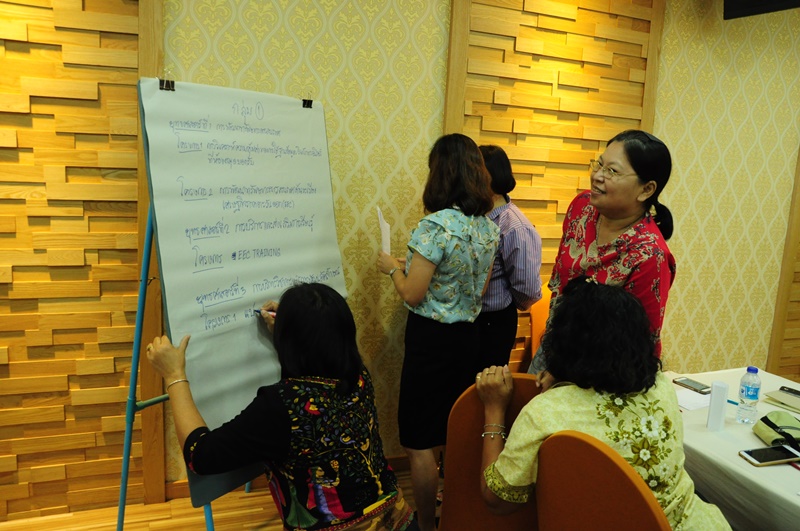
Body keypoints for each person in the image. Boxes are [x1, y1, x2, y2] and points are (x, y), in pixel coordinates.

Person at [145, 282, 417, 531]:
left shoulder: (282, 405)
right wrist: (287, 332)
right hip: (399, 519)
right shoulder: (358, 376)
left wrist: (174, 375)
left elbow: (200, 455)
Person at [476, 277, 730, 529]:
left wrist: (494, 408)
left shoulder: (544, 412)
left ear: (562, 342)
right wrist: (564, 378)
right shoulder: (661, 386)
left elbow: (497, 500)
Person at [376, 133, 499, 531]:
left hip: (431, 342)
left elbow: (413, 294)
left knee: (418, 441)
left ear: (440, 174)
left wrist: (392, 269)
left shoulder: (434, 226)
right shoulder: (487, 228)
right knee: (452, 432)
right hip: (468, 339)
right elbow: (476, 289)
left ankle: (428, 526)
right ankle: (456, 518)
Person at [529, 129, 676, 375]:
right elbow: (559, 281)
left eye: (612, 171)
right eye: (599, 164)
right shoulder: (581, 208)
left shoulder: (649, 255)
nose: (597, 176)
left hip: (603, 374)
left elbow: (640, 343)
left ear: (646, 189)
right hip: (553, 352)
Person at [476, 144, 542, 370]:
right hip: (472, 320)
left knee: (486, 383)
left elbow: (528, 289)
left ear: (487, 177)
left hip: (493, 321)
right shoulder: (477, 215)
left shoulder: (514, 226)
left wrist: (506, 300)